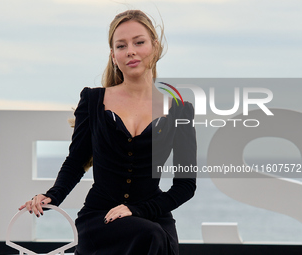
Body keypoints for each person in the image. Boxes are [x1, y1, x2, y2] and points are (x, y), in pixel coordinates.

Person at [19, 9, 197, 255]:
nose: (130, 51)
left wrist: (138, 210)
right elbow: (76, 161)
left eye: (139, 42)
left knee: (153, 235)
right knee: (150, 236)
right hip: (99, 220)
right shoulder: (93, 100)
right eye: (121, 46)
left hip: (153, 220)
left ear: (154, 47)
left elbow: (186, 186)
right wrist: (52, 196)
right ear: (113, 56)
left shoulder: (180, 111)